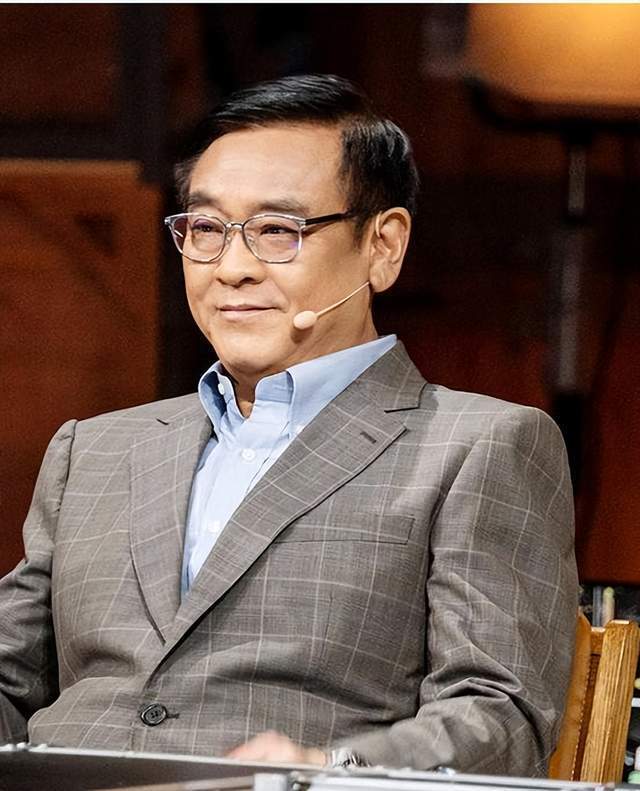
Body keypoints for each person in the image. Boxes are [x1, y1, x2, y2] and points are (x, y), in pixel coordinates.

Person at [0, 74, 577, 776]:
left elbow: (501, 712)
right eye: (206, 229)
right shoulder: (92, 449)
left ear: (383, 246)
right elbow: (9, 679)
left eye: (278, 230)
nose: (232, 268)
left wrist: (327, 767)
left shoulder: (478, 446)